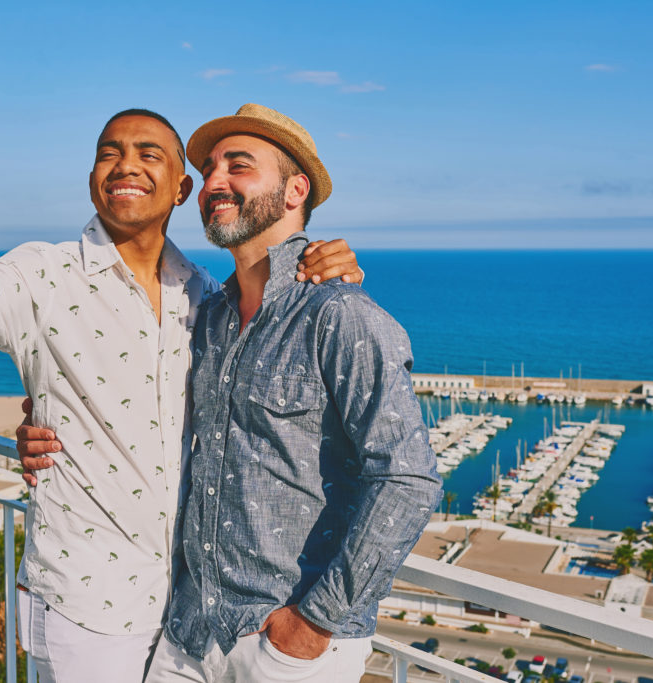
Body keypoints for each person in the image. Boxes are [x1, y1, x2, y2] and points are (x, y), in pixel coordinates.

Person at [0, 73, 362, 682]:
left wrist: (321, 264)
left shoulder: (208, 299)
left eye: (149, 154)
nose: (125, 165)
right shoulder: (43, 277)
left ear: (181, 188)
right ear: (92, 180)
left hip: (191, 617)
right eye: (108, 153)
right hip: (83, 610)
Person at [143, 103, 441, 681]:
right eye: (208, 169)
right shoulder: (209, 316)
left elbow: (408, 478)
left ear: (294, 189)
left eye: (239, 165)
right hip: (188, 630)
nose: (214, 182)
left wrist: (314, 623)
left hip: (282, 647)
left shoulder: (340, 315)